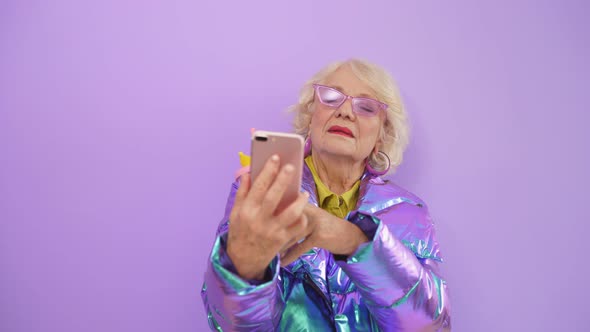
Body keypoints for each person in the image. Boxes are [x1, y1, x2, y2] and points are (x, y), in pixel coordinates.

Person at [201, 59, 451, 331]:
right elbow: (230, 325)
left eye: (366, 107)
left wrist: (352, 240)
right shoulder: (264, 191)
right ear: (311, 116)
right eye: (331, 97)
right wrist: (244, 272)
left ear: (382, 135)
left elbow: (430, 325)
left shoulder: (409, 212)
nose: (345, 111)